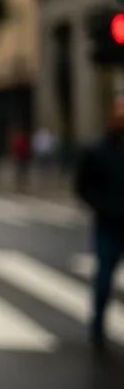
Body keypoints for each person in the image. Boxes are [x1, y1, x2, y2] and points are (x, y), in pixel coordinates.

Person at [74, 98, 124, 350]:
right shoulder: (96, 150)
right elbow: (82, 187)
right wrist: (102, 206)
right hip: (108, 224)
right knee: (104, 277)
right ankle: (98, 328)